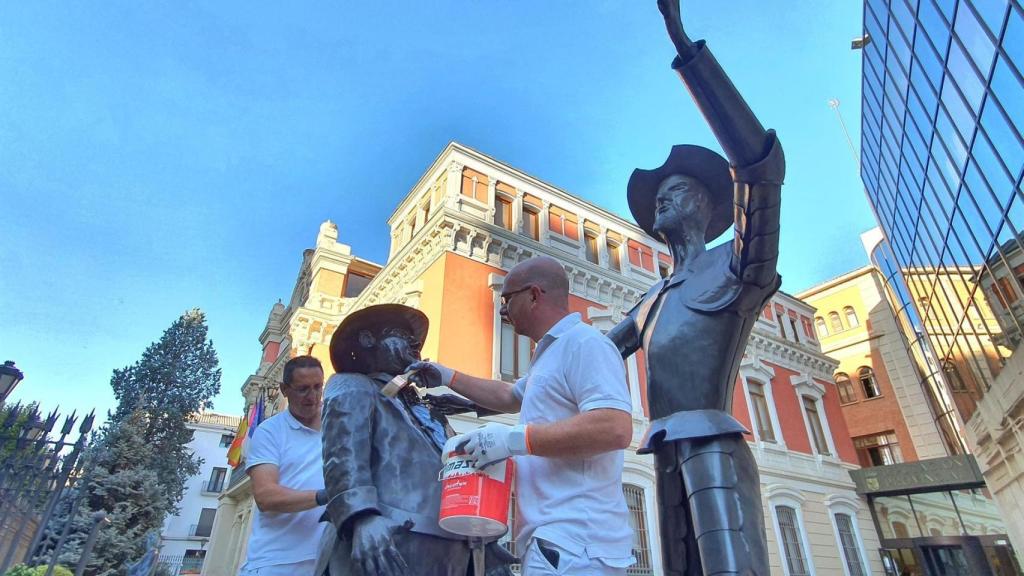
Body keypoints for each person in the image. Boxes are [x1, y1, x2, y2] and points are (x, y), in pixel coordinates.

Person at [602, 1, 785, 574]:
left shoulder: (734, 270)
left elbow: (762, 170)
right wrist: (465, 391)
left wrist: (688, 52)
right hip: (664, 453)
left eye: (676, 190)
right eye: (661, 192)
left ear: (708, 205)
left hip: (715, 448)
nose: (662, 197)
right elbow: (586, 354)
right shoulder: (651, 300)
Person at [410, 256, 636, 575]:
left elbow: (615, 427)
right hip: (557, 544)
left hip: (575, 545)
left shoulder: (585, 344)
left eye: (507, 298)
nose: (502, 310)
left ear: (533, 295)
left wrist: (513, 440)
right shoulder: (550, 354)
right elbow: (510, 396)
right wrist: (447, 376)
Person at [315, 304, 513, 576]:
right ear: (367, 339)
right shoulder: (354, 385)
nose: (415, 342)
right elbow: (343, 456)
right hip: (390, 544)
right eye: (400, 333)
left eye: (415, 339)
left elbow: (512, 401)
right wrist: (361, 517)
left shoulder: (427, 405)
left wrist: (482, 546)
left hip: (450, 550)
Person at [239, 355, 328, 576]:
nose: (313, 397)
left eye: (318, 387)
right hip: (277, 563)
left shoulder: (338, 422)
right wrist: (326, 496)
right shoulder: (269, 432)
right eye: (303, 389)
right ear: (284, 389)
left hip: (328, 559)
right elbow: (265, 496)